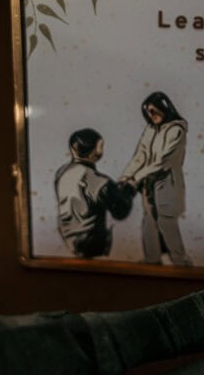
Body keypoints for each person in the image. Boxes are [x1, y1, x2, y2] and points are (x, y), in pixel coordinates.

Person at [121, 91, 191, 266]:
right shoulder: (150, 129)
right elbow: (140, 156)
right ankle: (152, 260)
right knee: (149, 222)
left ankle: (180, 261)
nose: (151, 116)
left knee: (166, 222)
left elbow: (162, 162)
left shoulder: (176, 130)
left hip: (167, 182)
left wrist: (135, 178)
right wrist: (125, 177)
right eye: (148, 112)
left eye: (154, 111)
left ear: (164, 108)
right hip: (149, 183)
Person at [55, 128, 133, 258]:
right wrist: (129, 188)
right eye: (101, 146)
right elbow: (120, 212)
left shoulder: (61, 172)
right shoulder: (99, 181)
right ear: (95, 152)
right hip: (91, 244)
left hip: (69, 238)